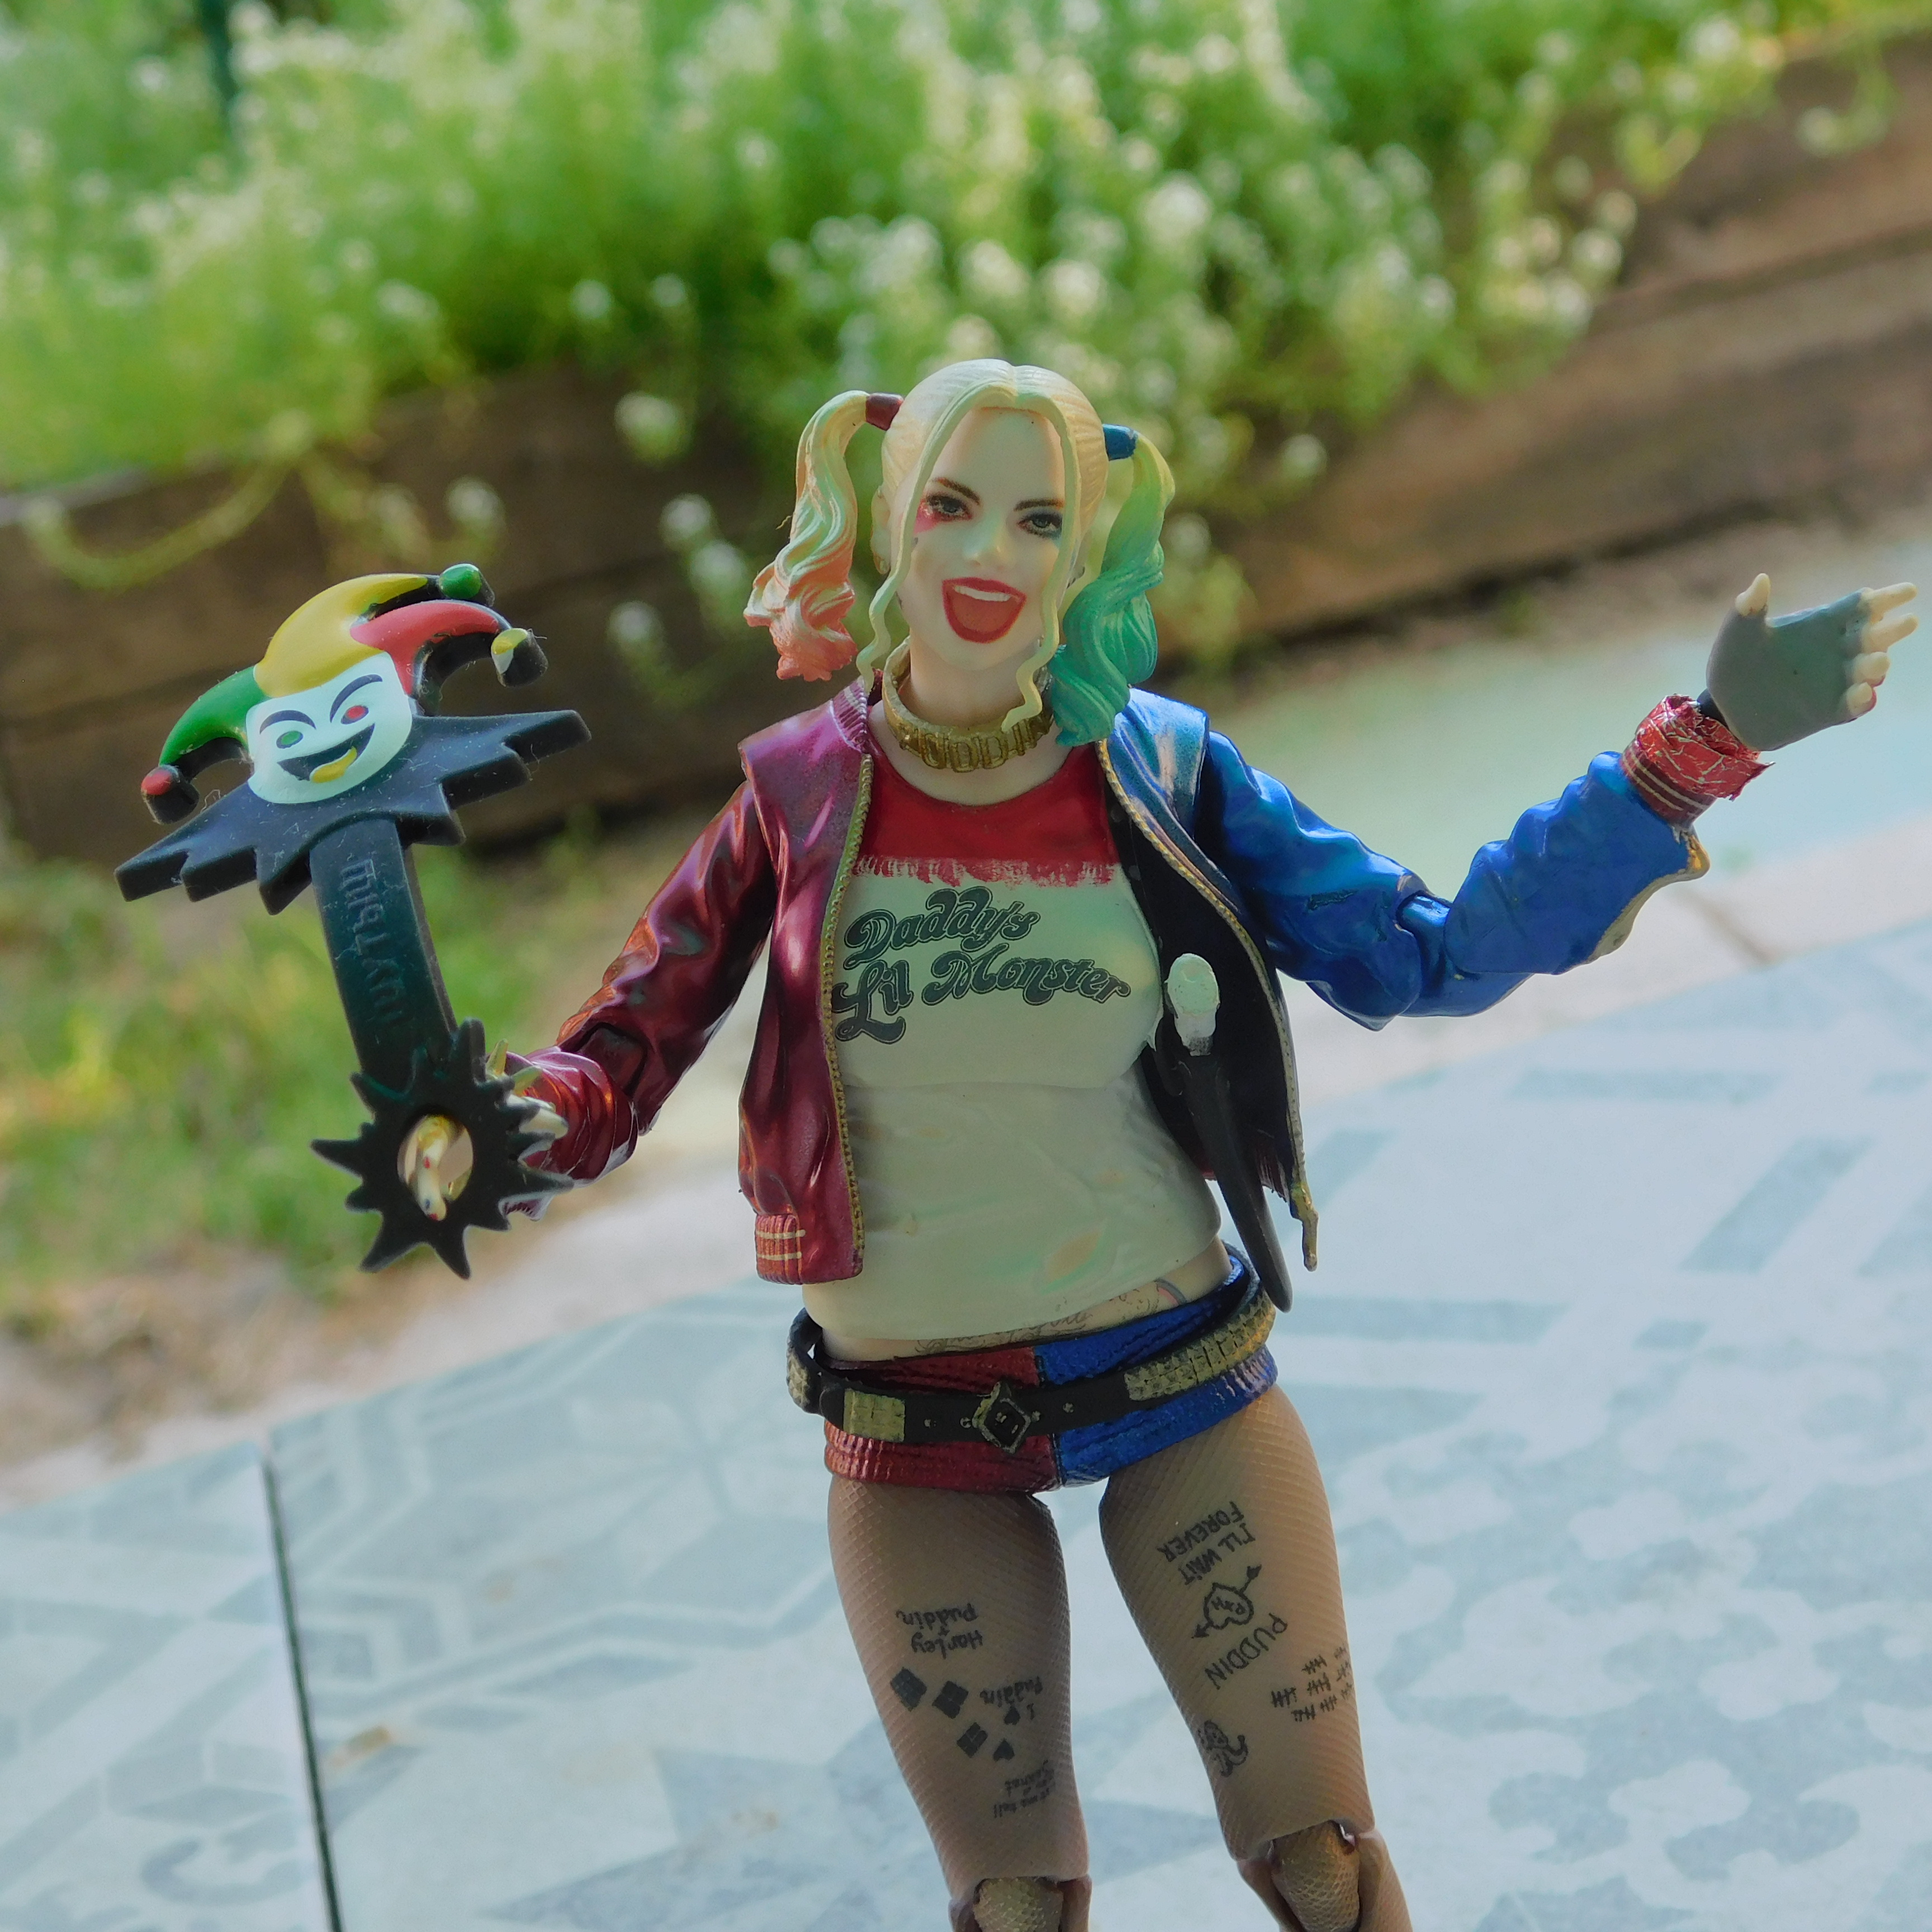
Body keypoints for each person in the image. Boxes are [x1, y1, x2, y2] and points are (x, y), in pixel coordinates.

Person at [403, 359, 1915, 1931]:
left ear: (1089, 549)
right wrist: (515, 1122)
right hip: (912, 1422)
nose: (990, 555)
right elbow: (623, 1051)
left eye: (1039, 518)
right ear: (885, 524)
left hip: (1175, 1372)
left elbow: (1428, 954)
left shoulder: (1167, 772)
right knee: (1012, 1903)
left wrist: (1694, 749)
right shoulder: (791, 804)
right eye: (952, 506)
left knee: (1325, 1868)